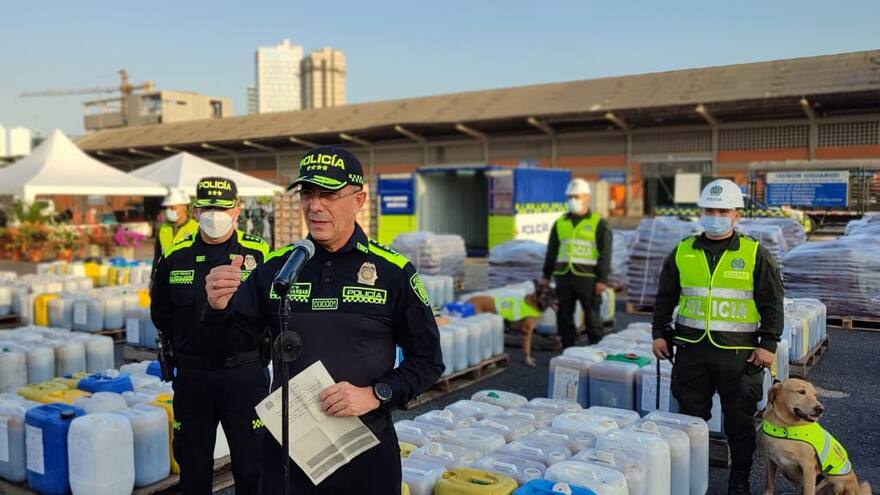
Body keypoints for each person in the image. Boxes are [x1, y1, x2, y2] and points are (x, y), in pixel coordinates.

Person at [204, 146, 444, 495]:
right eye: (307, 194)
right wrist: (217, 307)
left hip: (364, 447)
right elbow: (233, 344)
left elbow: (428, 361)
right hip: (288, 449)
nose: (314, 206)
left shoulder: (393, 272)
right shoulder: (278, 267)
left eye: (328, 194)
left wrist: (376, 393)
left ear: (359, 200)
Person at [651, 178, 784, 495]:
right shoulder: (683, 251)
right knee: (690, 422)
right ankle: (690, 480)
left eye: (722, 210)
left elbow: (772, 302)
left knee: (739, 424)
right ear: (701, 212)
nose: (715, 215)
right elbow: (665, 297)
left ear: (736, 214)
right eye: (709, 209)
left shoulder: (754, 254)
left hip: (739, 356)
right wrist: (658, 333)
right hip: (691, 352)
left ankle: (738, 480)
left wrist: (768, 344)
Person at [151, 177, 271, 494]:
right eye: (208, 207)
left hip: (244, 376)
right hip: (193, 378)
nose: (214, 214)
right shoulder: (175, 256)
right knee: (193, 469)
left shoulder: (260, 255)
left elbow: (275, 313)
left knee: (253, 467)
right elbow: (160, 315)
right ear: (195, 210)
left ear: (237, 210)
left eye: (223, 207)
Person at [540, 178, 612, 347]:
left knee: (592, 318)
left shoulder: (598, 223)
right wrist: (545, 275)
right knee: (564, 317)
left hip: (589, 278)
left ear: (587, 198)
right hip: (564, 276)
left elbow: (606, 253)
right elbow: (552, 251)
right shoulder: (560, 223)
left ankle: (596, 352)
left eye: (577, 196)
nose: (573, 200)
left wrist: (602, 279)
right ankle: (568, 352)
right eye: (570, 197)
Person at [154, 188, 200, 265]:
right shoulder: (162, 228)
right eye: (167, 208)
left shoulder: (196, 228)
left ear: (184, 207)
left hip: (187, 273)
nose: (169, 210)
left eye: (172, 208)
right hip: (166, 271)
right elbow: (157, 256)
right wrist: (154, 275)